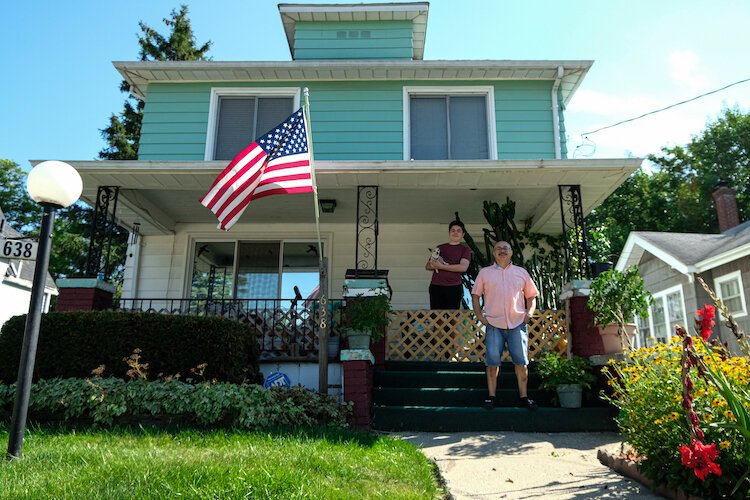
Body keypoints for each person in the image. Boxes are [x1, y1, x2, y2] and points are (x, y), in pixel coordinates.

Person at [471, 240, 539, 410]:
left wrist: (529, 313)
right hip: (494, 323)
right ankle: (491, 397)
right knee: (492, 362)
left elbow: (531, 296)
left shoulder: (521, 272)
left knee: (521, 362)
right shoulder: (485, 273)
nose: (502, 250)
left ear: (511, 252)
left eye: (505, 248)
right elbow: (475, 296)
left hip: (517, 323)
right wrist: (480, 316)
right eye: (498, 248)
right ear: (493, 253)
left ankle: (524, 397)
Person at [425, 220, 471, 309]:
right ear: (449, 232)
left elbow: (463, 267)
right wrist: (433, 264)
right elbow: (427, 266)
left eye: (458, 231)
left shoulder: (465, 250)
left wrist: (442, 266)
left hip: (454, 286)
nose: (455, 233)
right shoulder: (440, 247)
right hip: (436, 286)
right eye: (453, 230)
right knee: (437, 317)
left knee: (453, 318)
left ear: (463, 234)